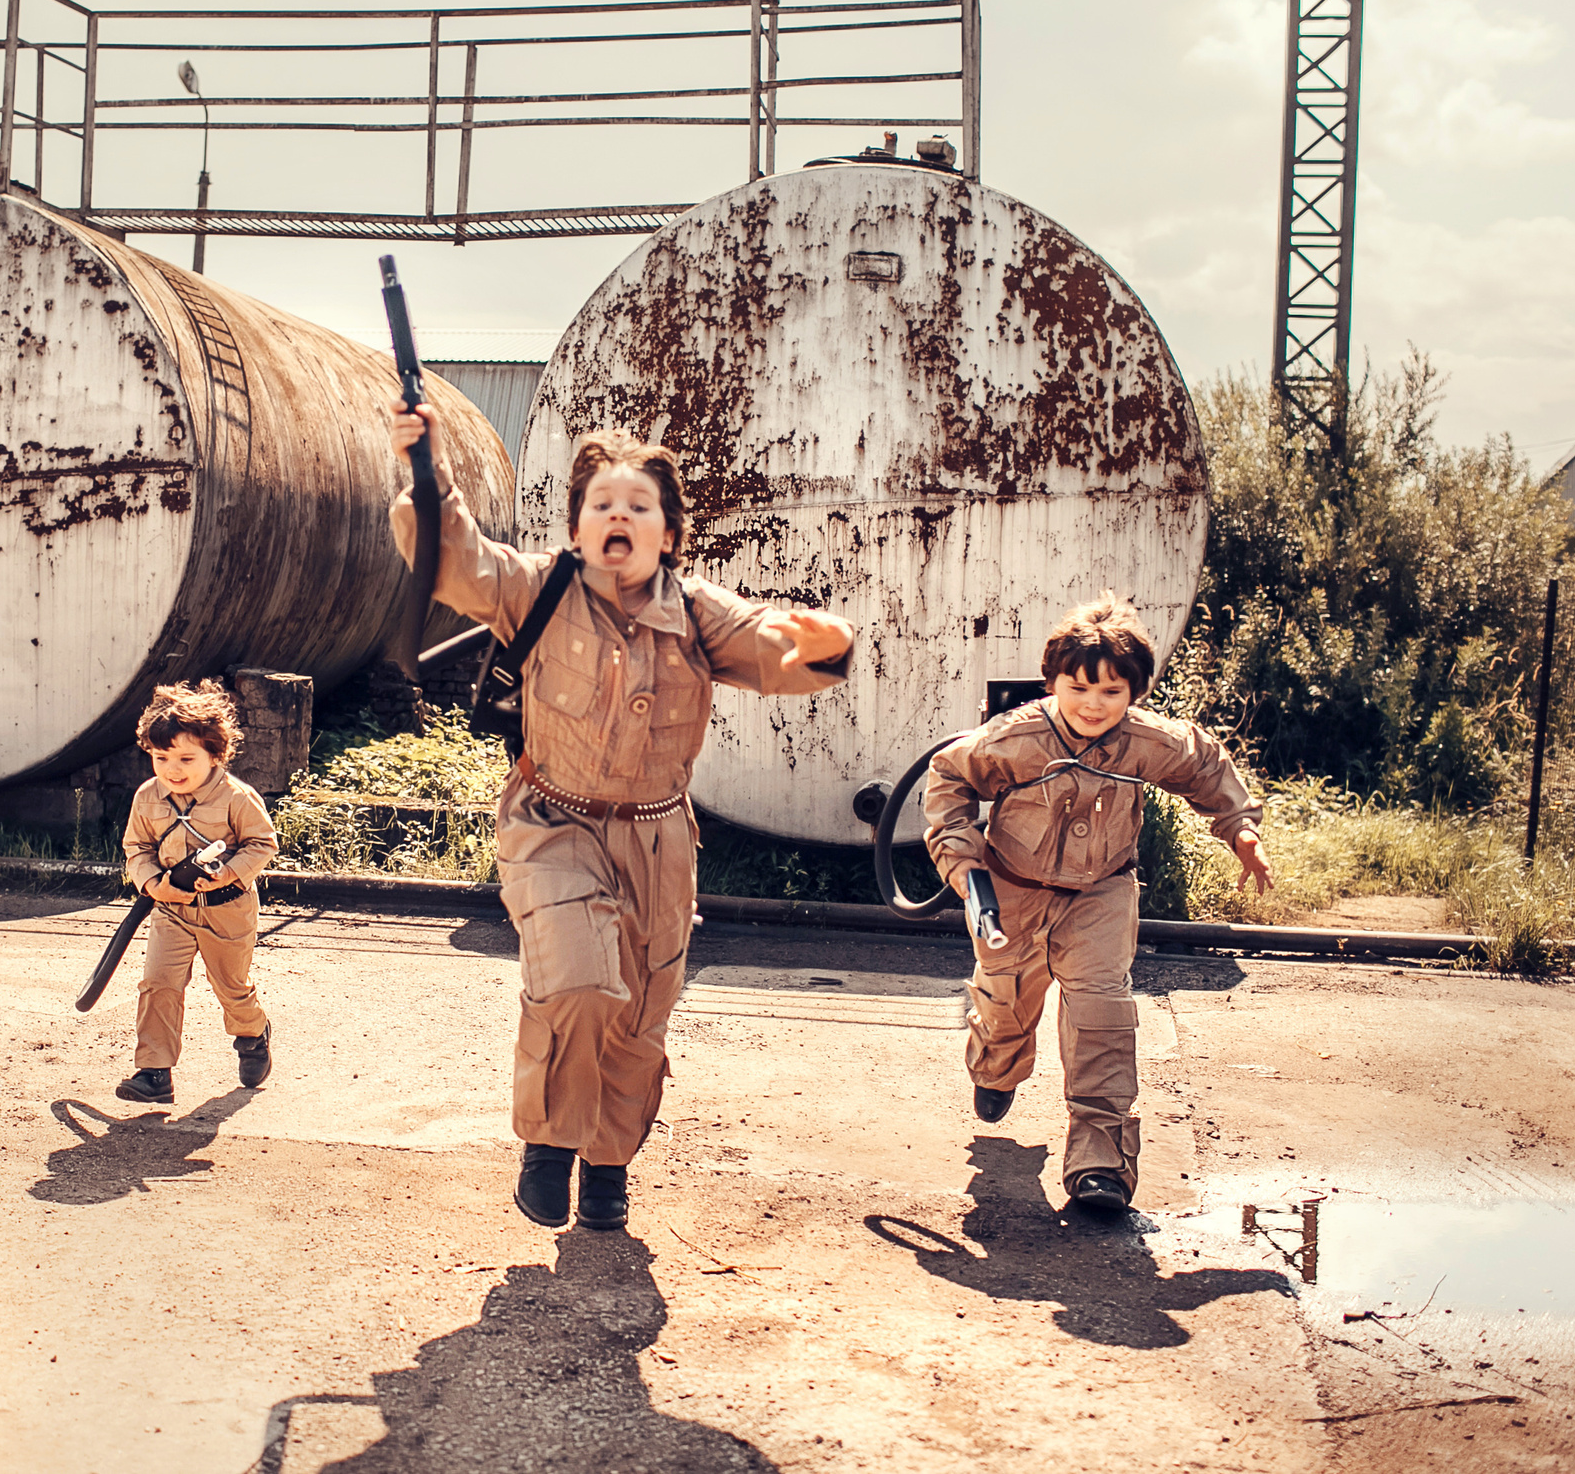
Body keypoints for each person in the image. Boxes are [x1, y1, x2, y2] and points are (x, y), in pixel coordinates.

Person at [387, 405, 855, 1233]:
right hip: (551, 823)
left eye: (638, 507)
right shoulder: (535, 588)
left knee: (639, 1016)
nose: (618, 518)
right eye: (601, 504)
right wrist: (424, 469)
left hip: (660, 837)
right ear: (574, 529)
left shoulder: (700, 612)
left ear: (668, 535)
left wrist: (821, 642)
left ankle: (609, 1165)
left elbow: (776, 650)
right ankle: (550, 1143)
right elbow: (451, 560)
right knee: (579, 980)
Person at [922, 593, 1271, 1216]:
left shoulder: (1150, 742)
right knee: (1006, 1007)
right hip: (1009, 891)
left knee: (1102, 1014)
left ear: (1134, 692)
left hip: (1103, 892)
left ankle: (1100, 1163)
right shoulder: (1018, 739)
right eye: (1078, 687)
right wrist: (963, 864)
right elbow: (950, 780)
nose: (1093, 704)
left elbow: (1206, 768)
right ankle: (997, 1064)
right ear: (1052, 680)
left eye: (1112, 692)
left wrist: (1241, 830)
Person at [115, 681, 281, 1103]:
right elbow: (137, 847)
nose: (173, 769)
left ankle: (252, 1033)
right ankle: (154, 1072)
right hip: (170, 909)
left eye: (186, 758)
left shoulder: (236, 798)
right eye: (161, 758)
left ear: (214, 754)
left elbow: (262, 844)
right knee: (158, 983)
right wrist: (151, 881)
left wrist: (227, 873)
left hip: (227, 908)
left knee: (230, 984)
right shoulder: (147, 797)